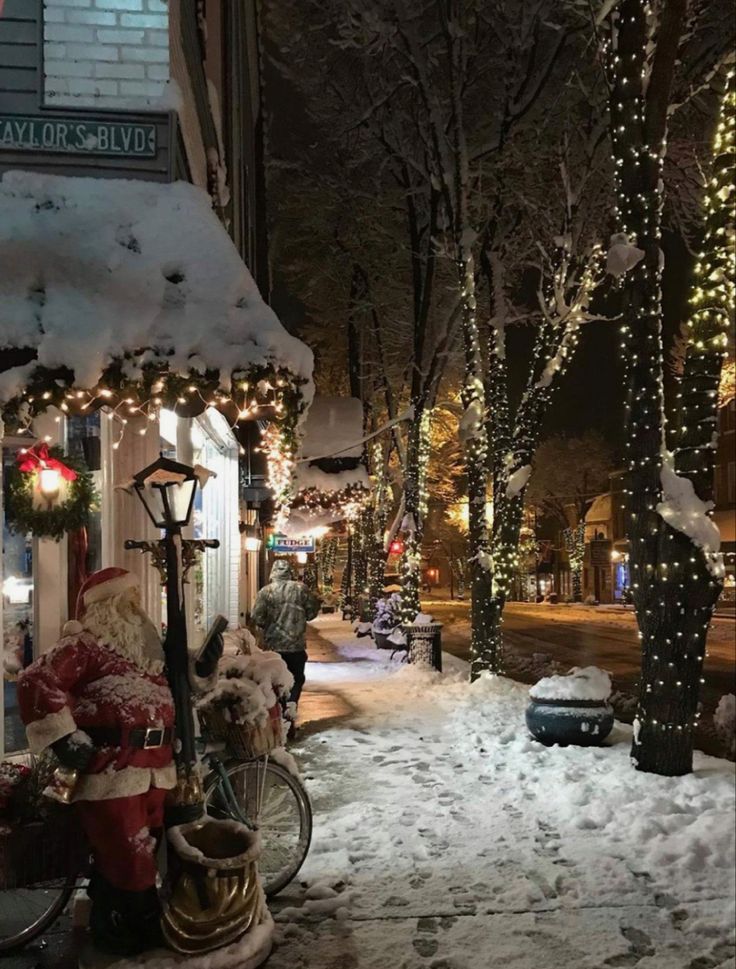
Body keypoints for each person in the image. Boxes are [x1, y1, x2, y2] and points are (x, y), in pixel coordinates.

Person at [17, 567, 222, 957]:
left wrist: (204, 666)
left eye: (135, 600)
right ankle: (140, 932)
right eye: (125, 600)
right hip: (113, 773)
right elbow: (36, 681)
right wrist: (63, 737)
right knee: (131, 856)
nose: (135, 608)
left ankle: (114, 924)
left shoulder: (147, 651)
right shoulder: (86, 646)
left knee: (138, 852)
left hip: (153, 771)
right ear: (105, 607)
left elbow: (183, 685)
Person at [251, 559, 320, 733]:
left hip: (273, 648)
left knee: (275, 683)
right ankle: (291, 708)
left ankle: (277, 716)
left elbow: (257, 617)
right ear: (290, 572)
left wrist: (269, 625)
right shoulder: (300, 590)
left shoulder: (265, 592)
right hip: (296, 646)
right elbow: (311, 613)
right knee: (297, 679)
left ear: (273, 573)